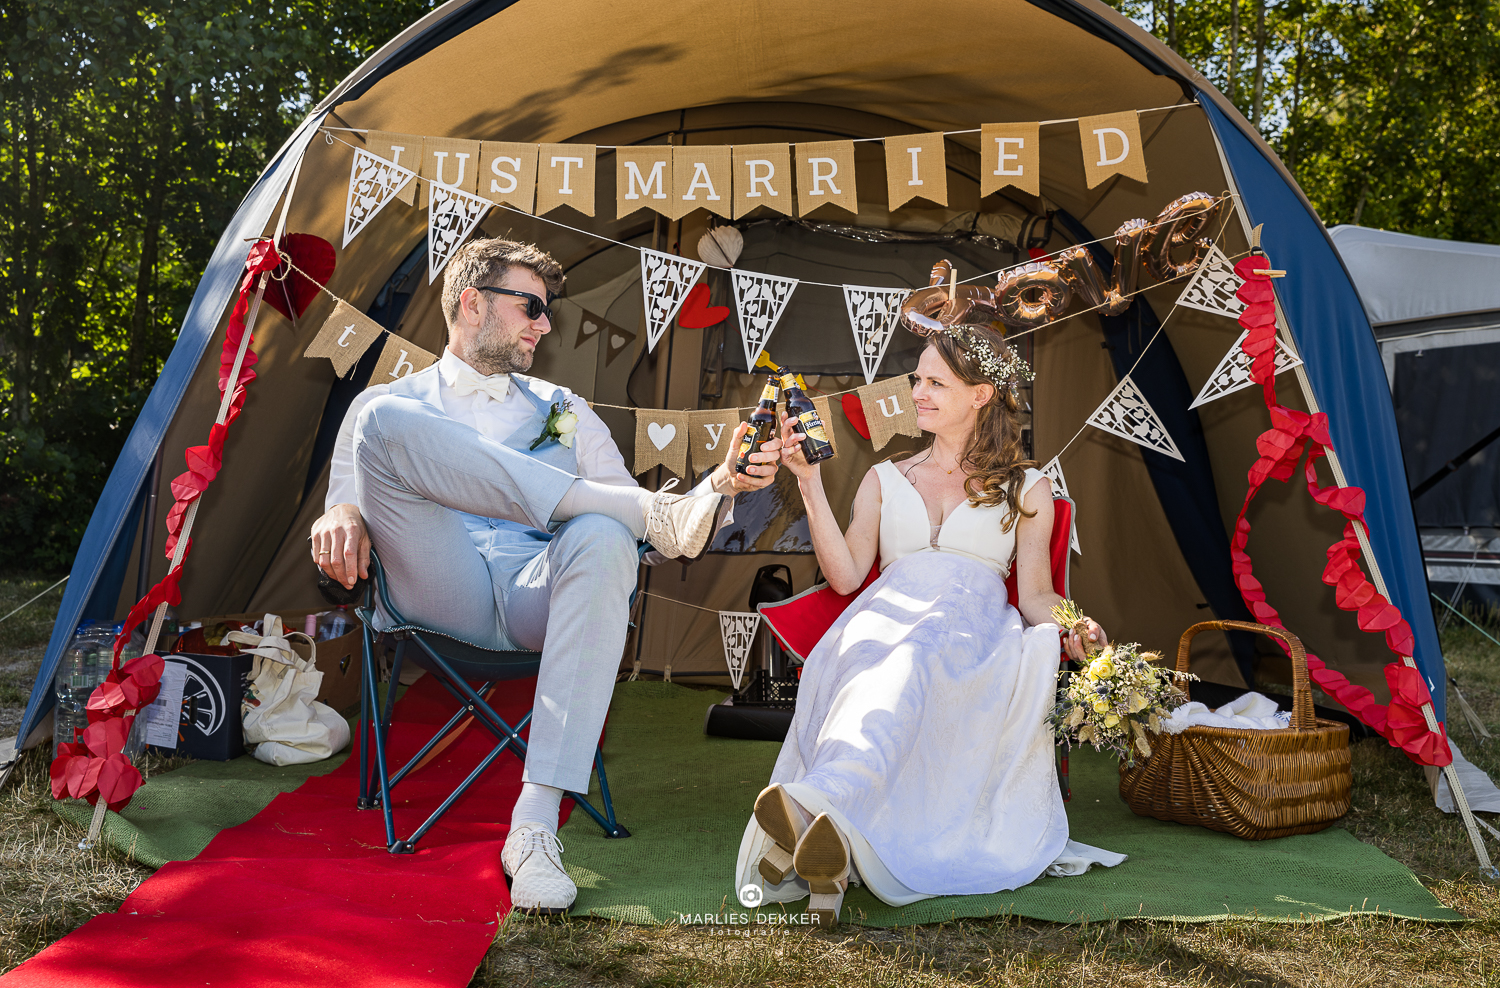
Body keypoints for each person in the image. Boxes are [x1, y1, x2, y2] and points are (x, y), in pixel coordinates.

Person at [310, 238, 784, 913]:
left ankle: (532, 827)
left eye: (549, 310)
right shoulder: (389, 406)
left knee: (600, 529)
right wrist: (343, 518)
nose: (546, 324)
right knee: (386, 419)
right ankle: (668, 510)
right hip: (440, 585)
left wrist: (721, 486)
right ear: (472, 304)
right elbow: (347, 505)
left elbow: (620, 536)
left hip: (538, 588)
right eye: (530, 306)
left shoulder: (563, 407)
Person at [734, 317, 1123, 926]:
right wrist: (809, 484)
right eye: (917, 379)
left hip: (971, 627)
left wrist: (1077, 626)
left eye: (935, 383)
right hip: (883, 616)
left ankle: (818, 814)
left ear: (980, 394)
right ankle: (825, 833)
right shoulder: (884, 477)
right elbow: (845, 576)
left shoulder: (1026, 486)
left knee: (918, 658)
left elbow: (1037, 595)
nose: (917, 392)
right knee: (874, 661)